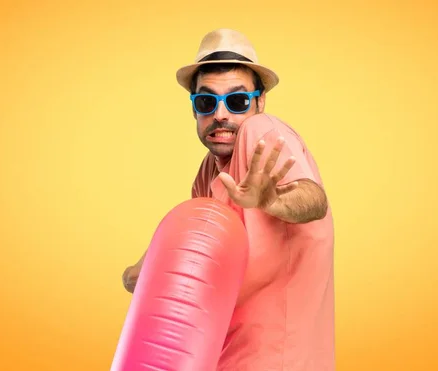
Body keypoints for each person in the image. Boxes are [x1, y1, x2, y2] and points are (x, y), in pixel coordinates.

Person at [122, 28, 335, 371]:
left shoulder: (261, 131)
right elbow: (190, 247)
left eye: (237, 101)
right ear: (194, 109)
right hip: (225, 357)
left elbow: (313, 200)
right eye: (207, 101)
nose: (220, 114)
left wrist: (272, 201)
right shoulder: (209, 170)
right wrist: (138, 275)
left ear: (259, 102)